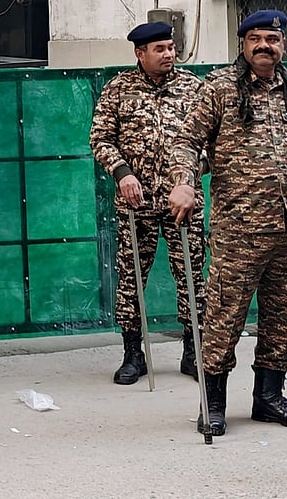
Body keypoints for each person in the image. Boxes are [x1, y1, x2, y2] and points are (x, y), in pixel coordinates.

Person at [169, 9, 287, 436]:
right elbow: (186, 141)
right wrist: (184, 182)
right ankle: (213, 403)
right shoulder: (219, 88)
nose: (264, 46)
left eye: (272, 39)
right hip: (240, 231)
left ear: (282, 44)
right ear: (243, 44)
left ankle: (269, 398)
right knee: (224, 317)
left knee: (285, 316)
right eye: (255, 38)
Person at [89, 21, 206, 385]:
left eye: (171, 48)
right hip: (135, 201)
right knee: (131, 278)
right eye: (160, 49)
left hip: (182, 201)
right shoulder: (118, 90)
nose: (169, 54)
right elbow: (100, 139)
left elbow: (214, 143)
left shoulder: (194, 89)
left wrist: (188, 178)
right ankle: (132, 353)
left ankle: (194, 348)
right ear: (140, 53)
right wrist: (122, 172)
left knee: (191, 275)